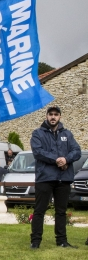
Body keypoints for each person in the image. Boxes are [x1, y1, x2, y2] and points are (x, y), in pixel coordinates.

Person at [30, 105, 81, 249]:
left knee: (61, 212)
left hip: (63, 178)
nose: (53, 117)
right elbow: (38, 152)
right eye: (50, 114)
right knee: (39, 210)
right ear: (46, 116)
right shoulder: (38, 134)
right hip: (45, 178)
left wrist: (66, 159)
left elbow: (76, 151)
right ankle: (35, 241)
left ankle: (62, 241)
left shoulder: (67, 134)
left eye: (56, 114)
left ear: (60, 117)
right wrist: (57, 160)